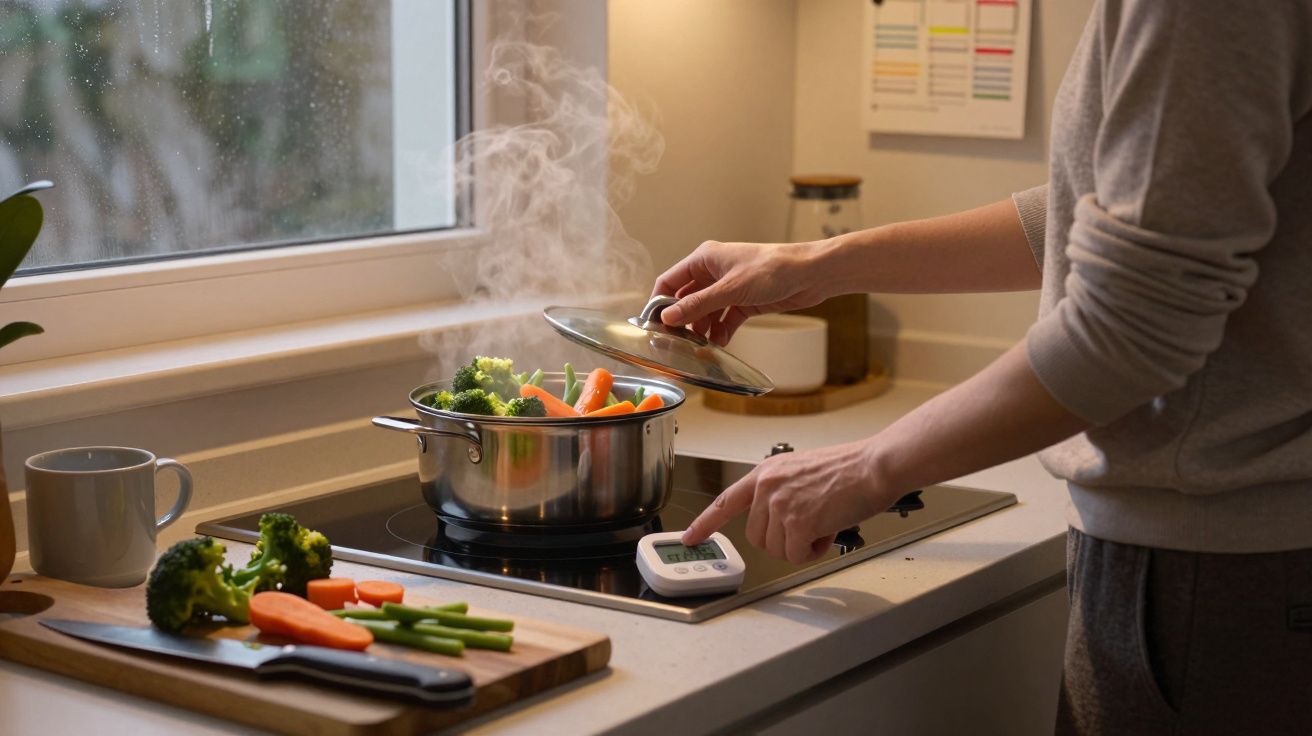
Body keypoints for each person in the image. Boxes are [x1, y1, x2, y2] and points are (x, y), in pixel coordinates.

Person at [654, 2, 1312, 734]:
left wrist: (867, 467)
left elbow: (1134, 320)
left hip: (1222, 575)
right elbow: (1102, 208)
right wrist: (813, 262)